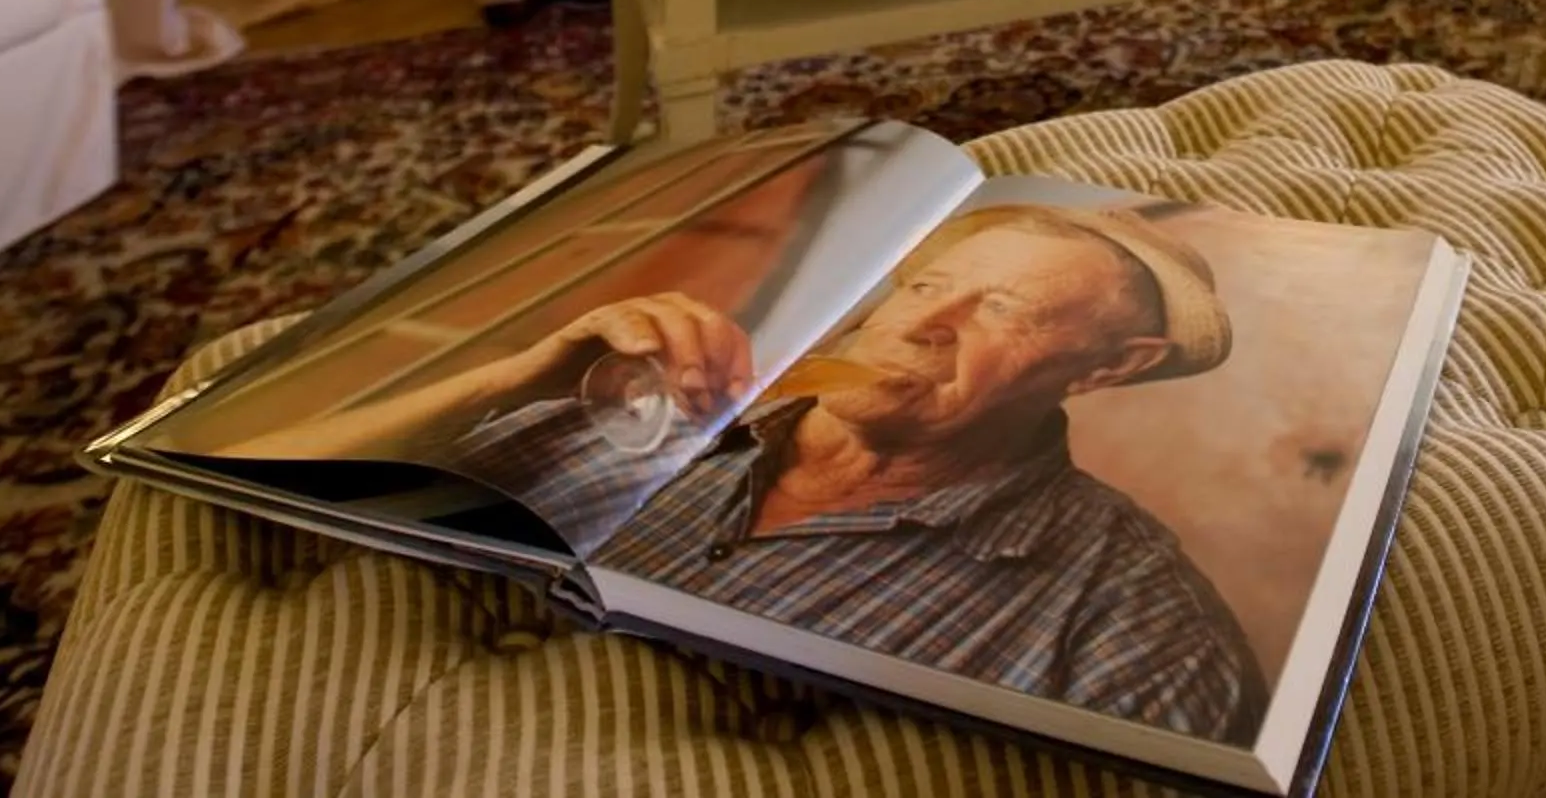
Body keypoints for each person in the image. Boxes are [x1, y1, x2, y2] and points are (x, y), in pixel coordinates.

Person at [302, 205, 1269, 743]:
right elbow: (294, 478)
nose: (918, 325)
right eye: (927, 287)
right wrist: (519, 377)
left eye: (1005, 309)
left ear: (1111, 368)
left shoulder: (1140, 624)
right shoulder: (660, 404)